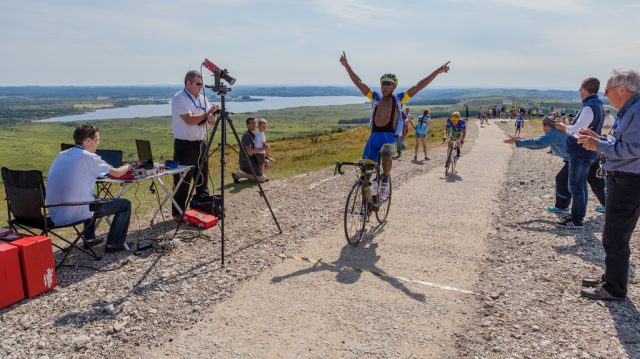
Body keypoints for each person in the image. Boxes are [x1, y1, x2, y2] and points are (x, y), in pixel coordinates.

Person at [339, 51, 450, 199]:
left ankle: (385, 180)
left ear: (393, 86)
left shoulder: (399, 99)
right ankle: (368, 205)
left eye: (387, 83)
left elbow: (419, 86)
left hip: (388, 138)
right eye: (382, 83)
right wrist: (347, 67)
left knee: (385, 154)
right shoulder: (376, 98)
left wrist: (437, 71)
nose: (383, 86)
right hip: (373, 139)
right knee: (365, 177)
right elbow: (359, 83)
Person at [577, 69, 640, 300]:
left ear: (622, 89)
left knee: (615, 237)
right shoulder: (630, 109)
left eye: (608, 89)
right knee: (612, 235)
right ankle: (610, 279)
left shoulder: (637, 110)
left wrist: (598, 147)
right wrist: (599, 139)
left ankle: (614, 288)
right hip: (623, 179)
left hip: (630, 181)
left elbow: (635, 149)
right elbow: (621, 141)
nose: (605, 93)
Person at [46, 125, 139, 252]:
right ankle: (114, 243)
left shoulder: (61, 154)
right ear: (87, 141)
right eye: (97, 140)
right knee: (125, 205)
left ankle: (89, 239)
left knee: (92, 197)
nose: (98, 143)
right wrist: (132, 164)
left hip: (54, 211)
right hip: (74, 212)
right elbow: (117, 173)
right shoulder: (88, 157)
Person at [554, 77, 604, 228]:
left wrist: (563, 127)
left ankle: (576, 219)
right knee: (580, 185)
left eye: (579, 90)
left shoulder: (589, 107)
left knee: (576, 185)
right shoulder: (598, 105)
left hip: (580, 151)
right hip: (587, 151)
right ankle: (578, 214)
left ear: (583, 89)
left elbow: (577, 130)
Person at [171, 70, 219, 222]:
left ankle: (200, 208)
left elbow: (212, 120)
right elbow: (190, 120)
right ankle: (178, 212)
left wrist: (212, 116)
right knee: (183, 180)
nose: (201, 86)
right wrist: (207, 114)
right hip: (184, 145)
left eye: (201, 84)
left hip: (201, 144)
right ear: (188, 83)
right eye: (198, 83)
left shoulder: (203, 99)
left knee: (202, 178)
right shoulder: (180, 98)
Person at [504, 117, 571, 211]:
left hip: (576, 159)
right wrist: (520, 142)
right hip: (584, 157)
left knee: (561, 179)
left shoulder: (553, 134)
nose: (543, 128)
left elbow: (538, 142)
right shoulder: (557, 132)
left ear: (547, 126)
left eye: (543, 126)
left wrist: (517, 142)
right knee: (593, 181)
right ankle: (599, 203)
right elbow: (538, 145)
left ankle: (562, 207)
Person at [231, 117, 273, 183]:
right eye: (251, 123)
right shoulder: (247, 136)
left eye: (255, 123)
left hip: (254, 161)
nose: (254, 124)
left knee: (270, 163)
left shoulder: (255, 135)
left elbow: (258, 147)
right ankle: (239, 175)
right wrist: (263, 149)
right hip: (246, 163)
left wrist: (265, 148)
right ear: (247, 125)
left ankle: (254, 175)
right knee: (262, 179)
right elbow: (249, 152)